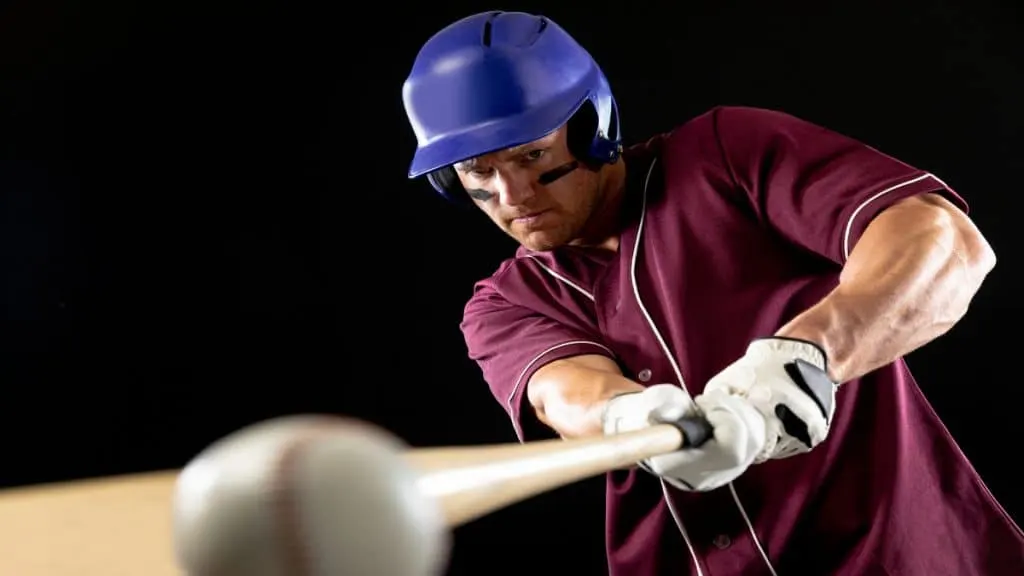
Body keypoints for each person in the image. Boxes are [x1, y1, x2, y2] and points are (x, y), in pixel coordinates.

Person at [401, 10, 1024, 576]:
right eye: (479, 172)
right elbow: (563, 393)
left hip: (907, 558)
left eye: (533, 155)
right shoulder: (505, 300)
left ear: (593, 123)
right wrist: (629, 416)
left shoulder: (723, 156)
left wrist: (805, 358)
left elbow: (943, 241)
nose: (514, 198)